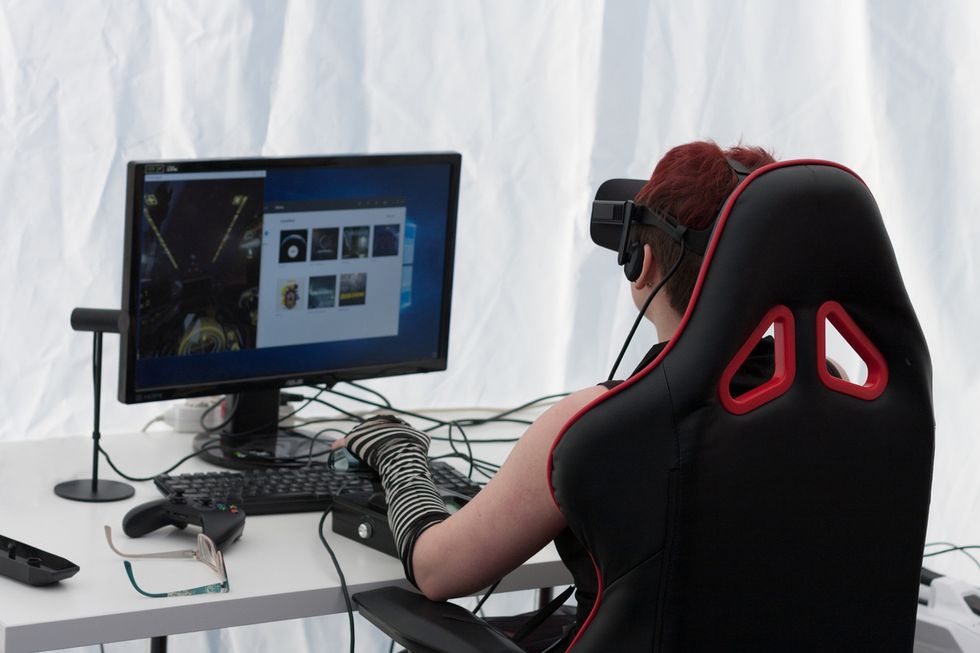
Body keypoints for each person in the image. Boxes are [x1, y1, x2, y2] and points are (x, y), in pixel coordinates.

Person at [334, 141, 778, 647]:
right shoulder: (841, 398)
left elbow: (436, 569)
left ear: (643, 263)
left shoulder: (595, 425)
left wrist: (397, 452)